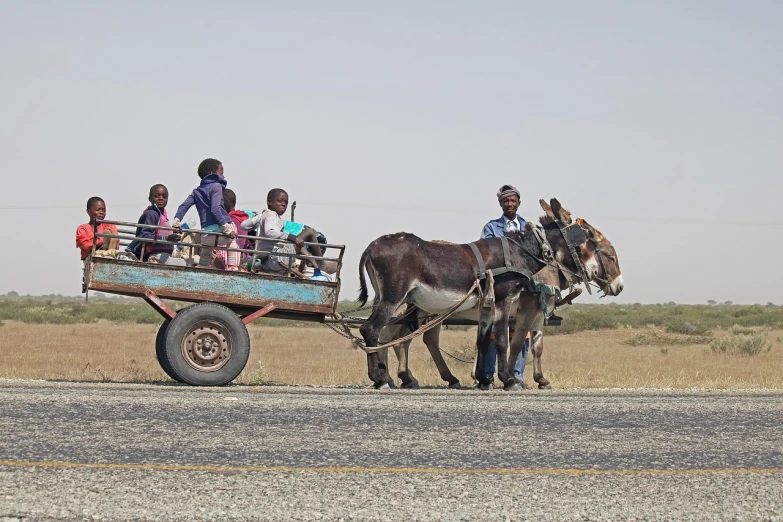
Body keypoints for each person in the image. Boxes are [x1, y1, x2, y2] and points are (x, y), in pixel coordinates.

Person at [480, 184, 530, 387]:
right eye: (506, 201)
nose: (510, 204)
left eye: (513, 201)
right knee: (495, 333)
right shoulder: (491, 227)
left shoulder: (527, 226)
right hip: (500, 286)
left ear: (518, 203)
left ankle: (517, 375)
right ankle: (488, 375)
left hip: (523, 288)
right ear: (501, 204)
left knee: (521, 333)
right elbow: (486, 254)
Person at [240, 188, 324, 275]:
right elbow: (270, 233)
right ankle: (321, 264)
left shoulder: (265, 215)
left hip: (267, 260)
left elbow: (243, 225)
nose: (283, 204)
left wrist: (259, 217)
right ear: (269, 202)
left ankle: (315, 264)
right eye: (280, 201)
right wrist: (290, 236)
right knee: (308, 232)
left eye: (286, 202)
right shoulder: (271, 215)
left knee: (296, 242)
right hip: (276, 259)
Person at [172, 158, 237, 268]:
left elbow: (184, 205)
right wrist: (227, 228)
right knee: (232, 241)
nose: (224, 177)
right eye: (222, 173)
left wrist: (176, 221)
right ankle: (232, 268)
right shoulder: (216, 186)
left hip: (205, 233)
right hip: (218, 230)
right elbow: (215, 209)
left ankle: (202, 270)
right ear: (212, 173)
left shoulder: (197, 191)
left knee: (206, 252)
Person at [126, 184, 183, 264]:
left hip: (163, 255)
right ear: (150, 198)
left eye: (164, 196)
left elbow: (160, 232)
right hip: (155, 256)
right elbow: (145, 236)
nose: (160, 198)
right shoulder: (152, 214)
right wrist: (166, 239)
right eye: (157, 196)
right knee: (188, 264)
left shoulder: (162, 215)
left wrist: (174, 234)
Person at [75, 197, 119, 261]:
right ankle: (105, 247)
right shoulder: (82, 228)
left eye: (104, 210)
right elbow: (86, 246)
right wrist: (103, 240)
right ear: (88, 211)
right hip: (92, 257)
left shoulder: (110, 225)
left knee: (113, 239)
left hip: (111, 254)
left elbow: (116, 242)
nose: (101, 212)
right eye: (98, 210)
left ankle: (108, 254)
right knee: (99, 253)